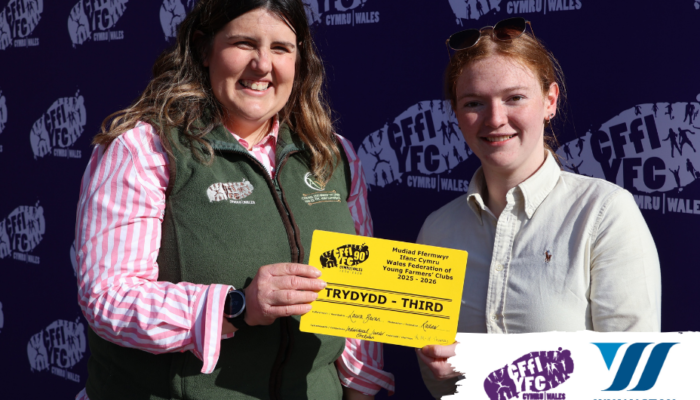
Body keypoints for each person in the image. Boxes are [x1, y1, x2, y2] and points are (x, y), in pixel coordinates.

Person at [73, 1, 394, 399]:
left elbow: (359, 298)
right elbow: (109, 299)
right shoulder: (145, 149)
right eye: (244, 44)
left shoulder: (334, 154)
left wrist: (360, 390)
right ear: (204, 49)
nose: (263, 65)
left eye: (281, 48)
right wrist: (235, 305)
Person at [414, 17, 661, 398]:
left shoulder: (604, 214)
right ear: (457, 115)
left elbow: (634, 377)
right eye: (474, 103)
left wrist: (488, 365)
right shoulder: (437, 229)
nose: (496, 119)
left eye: (514, 98)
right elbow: (439, 383)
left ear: (550, 101)